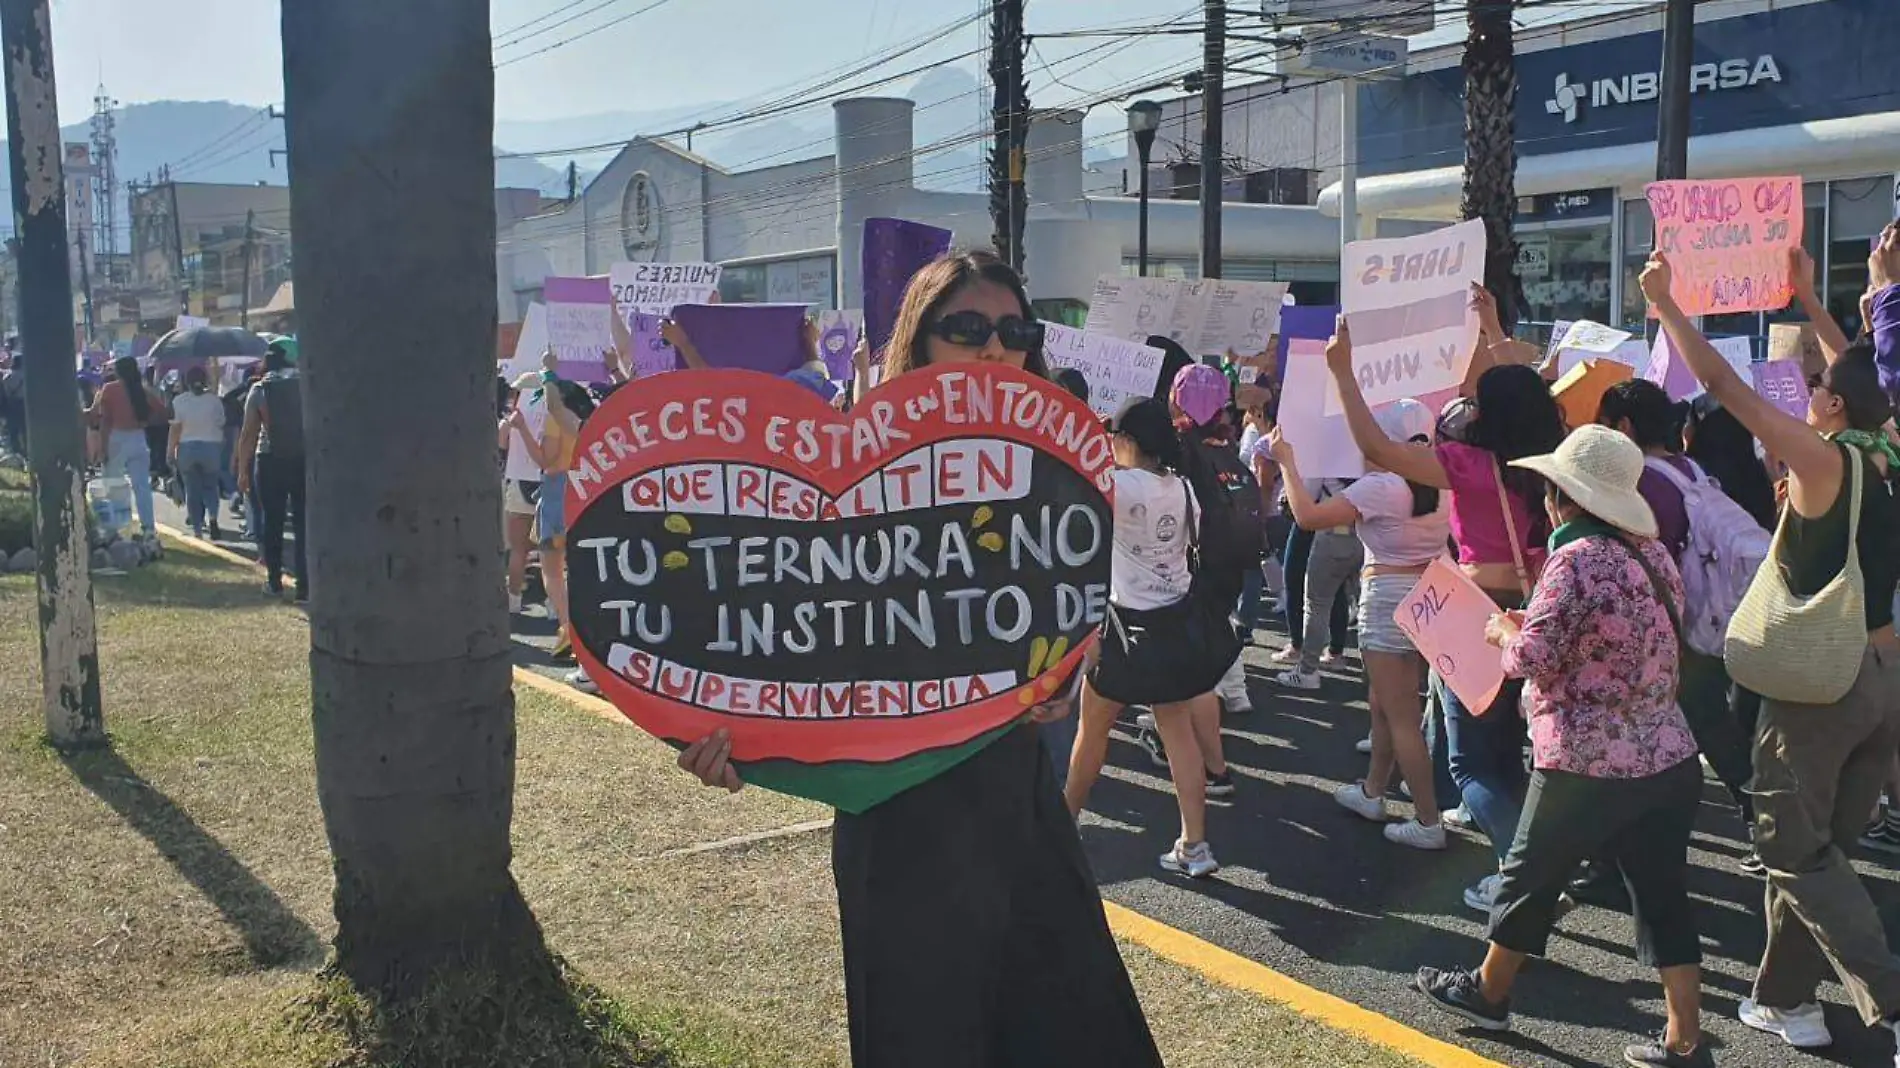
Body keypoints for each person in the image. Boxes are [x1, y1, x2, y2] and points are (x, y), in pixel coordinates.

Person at [678, 250, 1165, 1068]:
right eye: (967, 328)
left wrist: (1057, 681)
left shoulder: (1048, 473)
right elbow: (771, 620)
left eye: (1015, 330)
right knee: (921, 1033)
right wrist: (732, 739)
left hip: (1012, 804)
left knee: (1070, 1028)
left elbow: (1060, 613)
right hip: (895, 818)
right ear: (919, 339)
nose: (995, 349)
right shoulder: (841, 469)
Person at [1644, 250, 1900, 1059]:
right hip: (1883, 682)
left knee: (1787, 845)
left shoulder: (1826, 463)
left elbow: (1725, 390)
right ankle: (1785, 997)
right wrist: (1816, 304)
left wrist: (1667, 306)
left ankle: (1892, 1002)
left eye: (1816, 389)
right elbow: (1867, 379)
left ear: (1827, 404)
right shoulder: (1889, 454)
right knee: (1819, 848)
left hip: (1820, 683)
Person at [1416, 424, 1710, 1068]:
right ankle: (1685, 1039)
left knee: (1531, 874)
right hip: (1666, 752)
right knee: (1661, 892)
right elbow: (1623, 637)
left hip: (1586, 758)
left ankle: (1490, 994)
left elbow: (1531, 656)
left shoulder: (1572, 560)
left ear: (1562, 497)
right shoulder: (1651, 554)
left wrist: (1500, 630)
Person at [1328, 289, 1568, 912]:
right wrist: (1489, 327)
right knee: (1513, 749)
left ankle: (1522, 879)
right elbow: (1523, 385)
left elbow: (1381, 452)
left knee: (1469, 764)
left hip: (1478, 608)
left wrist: (1342, 374)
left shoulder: (1468, 463)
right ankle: (1528, 861)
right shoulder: (1555, 458)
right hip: (1542, 602)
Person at [1596, 380, 1759, 881]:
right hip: (1705, 622)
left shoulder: (1641, 484)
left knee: (1640, 738)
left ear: (1624, 427)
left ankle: (1623, 858)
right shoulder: (1692, 469)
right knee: (1712, 727)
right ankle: (1768, 824)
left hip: (1664, 631)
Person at [1271, 398, 1451, 848]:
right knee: (1386, 702)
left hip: (1388, 597)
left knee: (1402, 714)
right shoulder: (1442, 478)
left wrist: (1288, 465)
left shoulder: (1382, 486)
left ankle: (1428, 822)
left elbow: (1308, 516)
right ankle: (1373, 791)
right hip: (1430, 594)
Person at [1067, 395, 1235, 872]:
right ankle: (1194, 845)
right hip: (1175, 625)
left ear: (1127, 441)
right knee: (1178, 733)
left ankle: (1066, 820)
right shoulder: (1181, 486)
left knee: (1092, 731)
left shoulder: (1118, 485)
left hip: (1123, 628)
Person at [508, 348, 591, 663]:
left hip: (557, 493)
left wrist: (526, 431)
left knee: (552, 570)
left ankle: (568, 628)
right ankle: (572, 629)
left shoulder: (557, 420)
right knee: (572, 567)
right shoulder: (585, 417)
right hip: (579, 491)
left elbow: (546, 459)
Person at [236, 341, 306, 600]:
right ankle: (305, 585)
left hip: (269, 460)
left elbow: (248, 434)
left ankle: (275, 581)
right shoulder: (307, 383)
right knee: (303, 522)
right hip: (303, 458)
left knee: (272, 521)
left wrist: (243, 470)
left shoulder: (260, 388)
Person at [87, 355, 169, 537]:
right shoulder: (142, 390)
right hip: (138, 438)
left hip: (116, 438)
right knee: (142, 487)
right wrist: (146, 422)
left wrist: (102, 448)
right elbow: (163, 412)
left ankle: (113, 528)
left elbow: (106, 421)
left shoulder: (109, 389)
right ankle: (148, 527)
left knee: (113, 484)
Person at [499, 370, 546, 616]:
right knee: (551, 551)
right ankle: (552, 604)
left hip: (518, 482)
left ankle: (514, 601)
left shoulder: (510, 419)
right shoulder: (552, 417)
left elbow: (500, 445)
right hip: (546, 484)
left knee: (518, 550)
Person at [168, 365, 226, 539]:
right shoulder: (215, 401)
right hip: (211, 447)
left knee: (192, 489)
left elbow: (175, 429)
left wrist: (170, 451)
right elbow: (221, 422)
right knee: (211, 486)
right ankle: (214, 518)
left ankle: (198, 529)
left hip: (187, 447)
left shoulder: (179, 401)